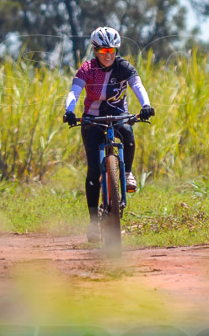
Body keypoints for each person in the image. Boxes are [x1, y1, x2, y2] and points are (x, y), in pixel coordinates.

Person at [62, 26, 155, 242]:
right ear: (95, 51)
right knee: (94, 168)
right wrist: (69, 110)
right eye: (104, 51)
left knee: (128, 135)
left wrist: (146, 105)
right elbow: (74, 92)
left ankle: (128, 172)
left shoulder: (123, 67)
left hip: (118, 113)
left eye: (112, 51)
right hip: (92, 118)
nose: (109, 55)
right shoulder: (87, 69)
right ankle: (94, 221)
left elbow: (137, 86)